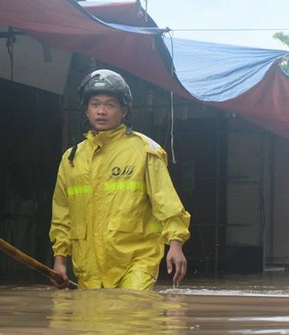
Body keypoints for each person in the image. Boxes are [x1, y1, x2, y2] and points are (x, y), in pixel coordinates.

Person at [49, 69, 190, 290]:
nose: (101, 111)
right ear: (86, 110)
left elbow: (167, 202)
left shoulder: (144, 151)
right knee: (93, 322)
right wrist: (59, 261)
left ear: (124, 111)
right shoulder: (71, 159)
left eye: (110, 104)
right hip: (89, 267)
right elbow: (61, 216)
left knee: (129, 314)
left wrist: (176, 244)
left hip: (137, 261)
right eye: (95, 104)